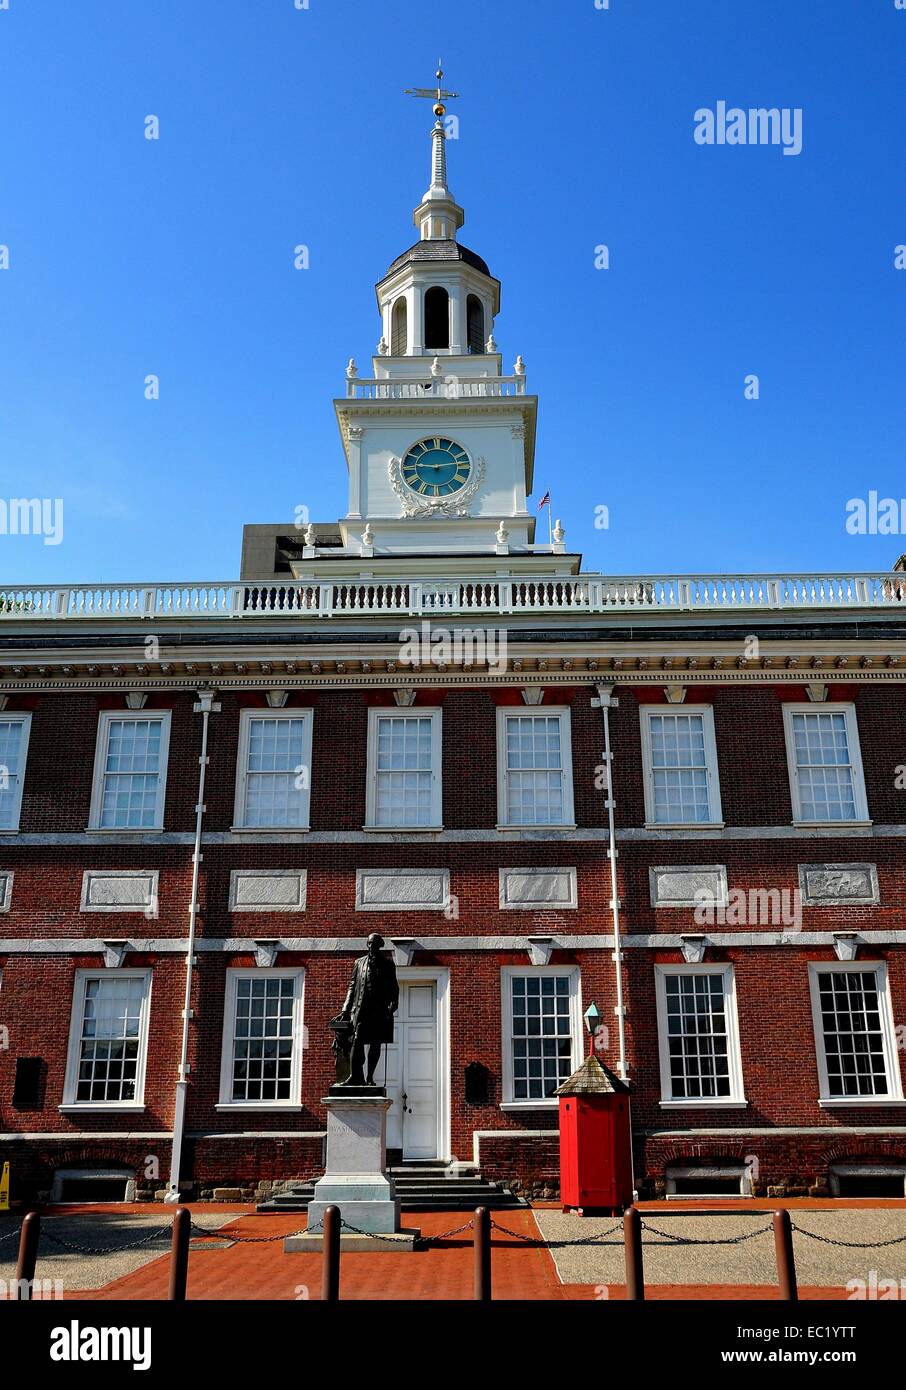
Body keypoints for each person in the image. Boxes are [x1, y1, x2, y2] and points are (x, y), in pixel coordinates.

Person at [337, 933, 399, 1086]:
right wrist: (346, 1009)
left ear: (380, 945)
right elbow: (352, 987)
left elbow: (394, 988)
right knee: (356, 1041)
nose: (372, 946)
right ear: (367, 945)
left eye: (375, 944)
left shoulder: (388, 965)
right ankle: (354, 1076)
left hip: (378, 1010)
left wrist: (394, 1002)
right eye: (370, 943)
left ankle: (370, 1078)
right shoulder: (359, 963)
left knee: (375, 1043)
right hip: (361, 1009)